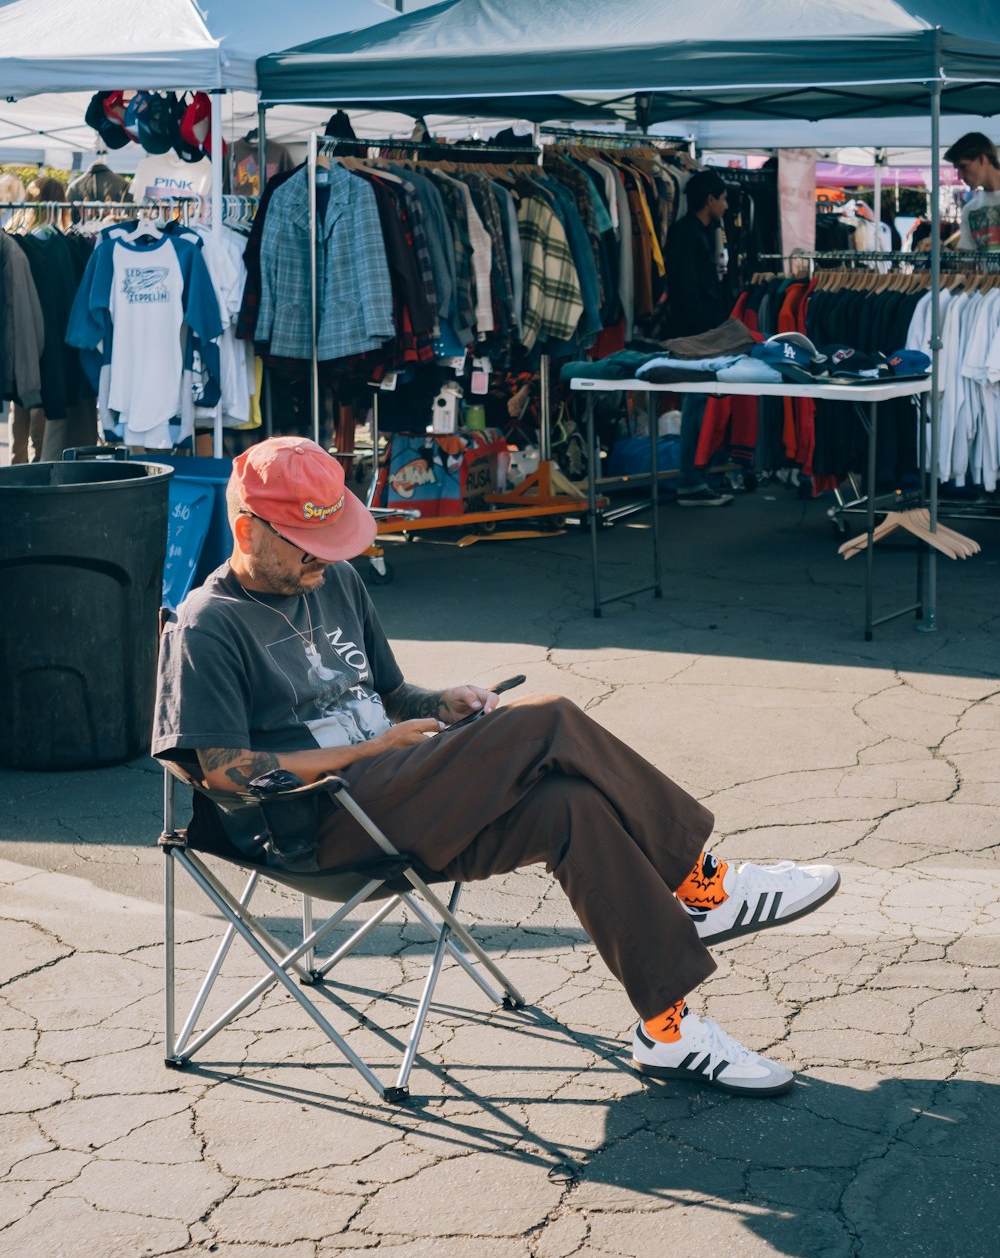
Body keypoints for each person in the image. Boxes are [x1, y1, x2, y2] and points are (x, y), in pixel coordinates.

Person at [153, 437, 841, 1098]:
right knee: (547, 718)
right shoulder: (208, 624)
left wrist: (445, 703)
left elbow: (392, 696)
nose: (325, 562)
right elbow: (222, 772)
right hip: (318, 826)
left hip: (402, 791)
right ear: (246, 532)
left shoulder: (337, 583)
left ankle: (668, 1028)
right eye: (310, 546)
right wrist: (369, 752)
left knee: (572, 806)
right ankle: (704, 886)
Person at [664, 169, 735, 507]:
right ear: (710, 199)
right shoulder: (687, 235)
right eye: (723, 198)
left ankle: (702, 476)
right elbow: (685, 291)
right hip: (696, 335)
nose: (726, 204)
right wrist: (705, 335)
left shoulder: (704, 232)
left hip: (705, 333)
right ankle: (691, 481)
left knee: (706, 403)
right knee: (697, 403)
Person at [944, 131, 1000, 253]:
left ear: (982, 159)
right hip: (985, 273)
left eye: (963, 166)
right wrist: (942, 251)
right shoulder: (970, 210)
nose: (959, 176)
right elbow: (966, 263)